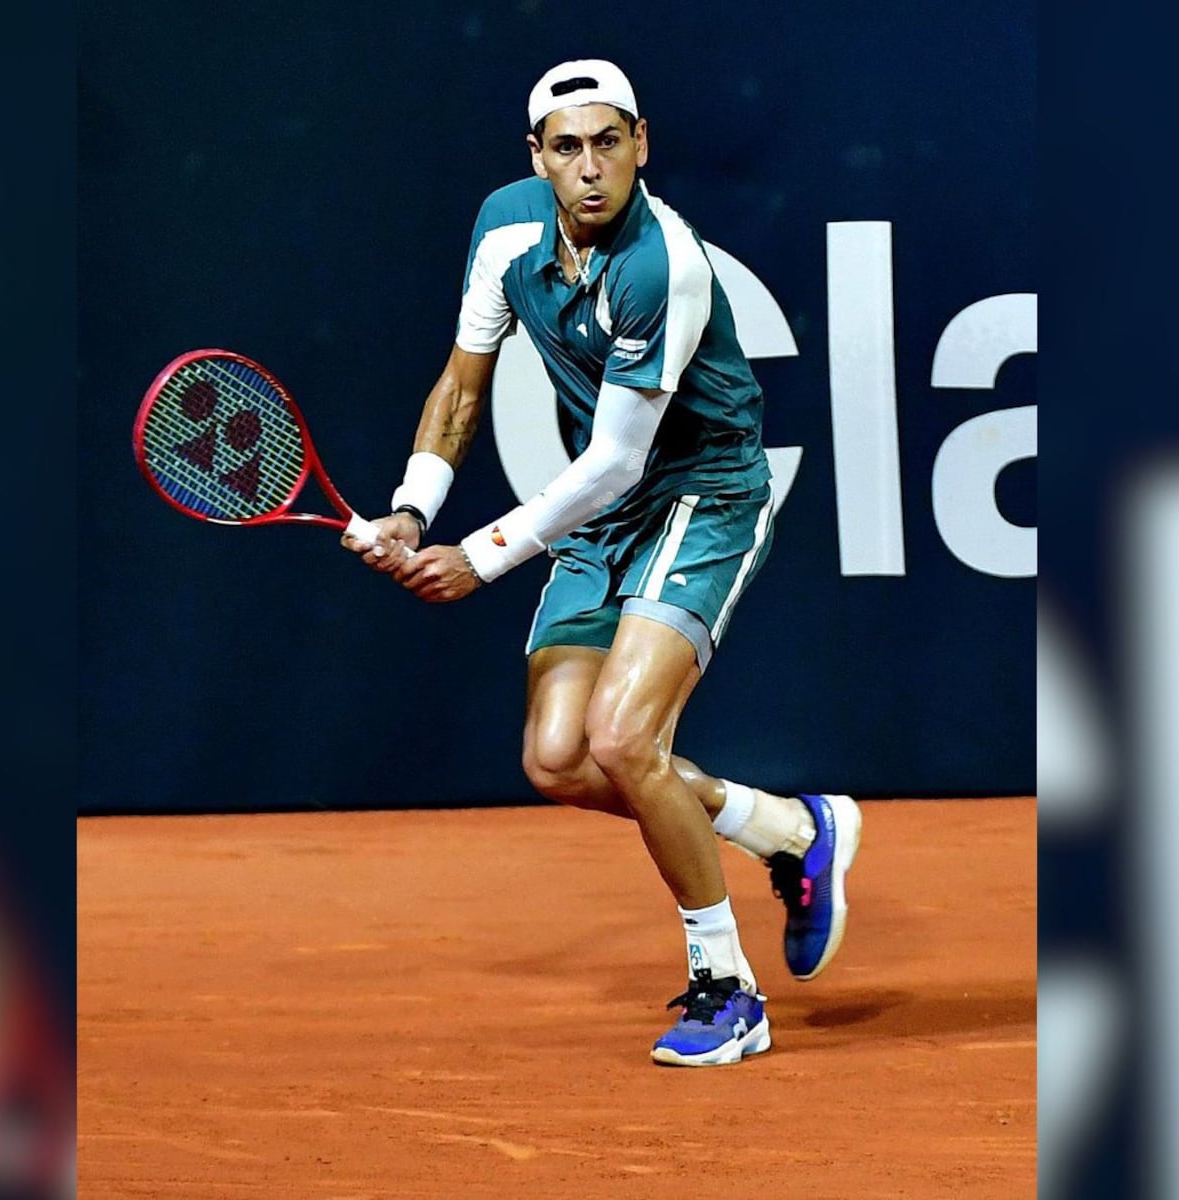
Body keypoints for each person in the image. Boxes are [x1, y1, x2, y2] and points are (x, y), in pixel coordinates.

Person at [342, 59, 862, 1067]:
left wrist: (483, 555)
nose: (591, 169)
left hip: (701, 495)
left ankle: (727, 988)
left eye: (609, 142)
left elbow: (621, 457)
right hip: (603, 517)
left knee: (625, 737)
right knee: (558, 759)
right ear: (537, 158)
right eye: (567, 148)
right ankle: (786, 832)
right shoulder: (505, 229)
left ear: (642, 143)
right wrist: (412, 509)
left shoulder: (661, 262)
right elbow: (460, 386)